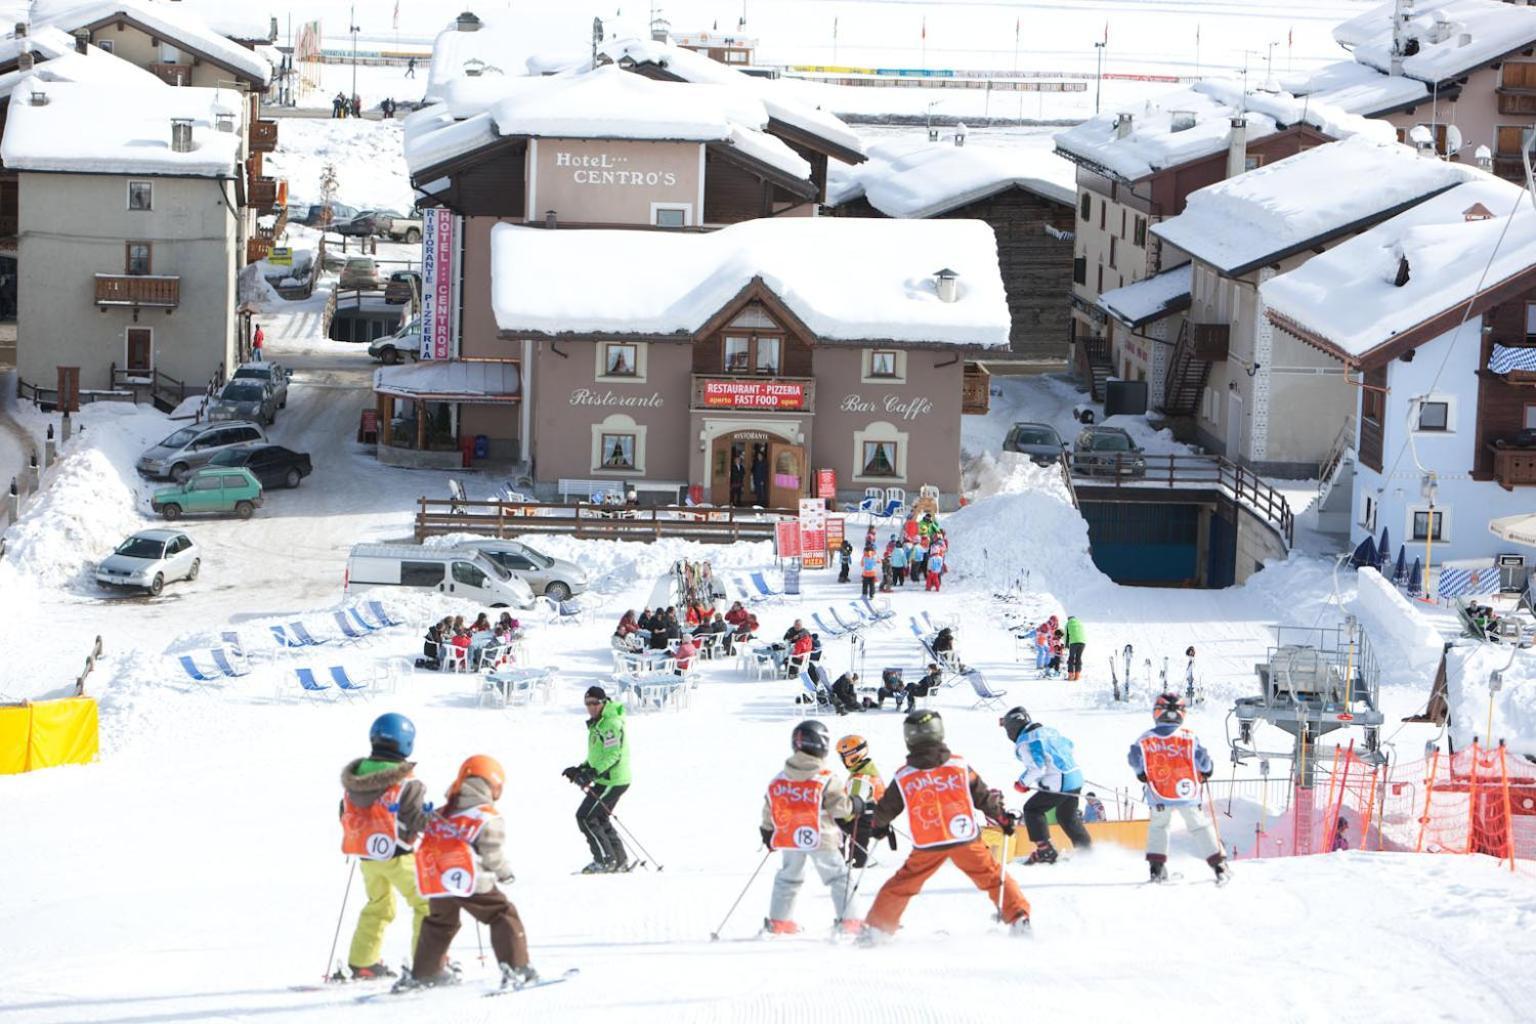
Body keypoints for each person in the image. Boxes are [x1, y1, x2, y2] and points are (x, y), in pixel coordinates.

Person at [861, 710, 1031, 943]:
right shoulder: (959, 766)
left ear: (909, 738)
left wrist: (877, 826)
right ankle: (1019, 918)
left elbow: (887, 808)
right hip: (964, 837)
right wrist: (1002, 819)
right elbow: (983, 796)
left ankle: (877, 930)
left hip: (928, 842)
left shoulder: (905, 776)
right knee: (991, 875)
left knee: (902, 884)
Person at [402, 755, 539, 992]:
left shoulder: (442, 812)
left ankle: (425, 973)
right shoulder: (487, 816)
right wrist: (504, 873)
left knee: (439, 923)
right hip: (470, 879)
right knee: (502, 913)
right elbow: (491, 854)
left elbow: (425, 828)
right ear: (494, 786)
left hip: (439, 879)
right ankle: (518, 969)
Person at [338, 713, 429, 980]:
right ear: (407, 744)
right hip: (399, 856)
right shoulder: (407, 783)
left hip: (366, 858)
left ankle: (363, 962)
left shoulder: (354, 781)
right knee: (427, 905)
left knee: (379, 905)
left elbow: (344, 813)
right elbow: (417, 819)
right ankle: (429, 964)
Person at [760, 721, 863, 935]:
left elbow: (770, 805)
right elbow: (840, 809)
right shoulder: (824, 777)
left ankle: (780, 921)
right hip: (821, 836)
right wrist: (856, 804)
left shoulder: (780, 779)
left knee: (789, 876)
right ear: (821, 745)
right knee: (838, 876)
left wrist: (768, 831)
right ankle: (850, 921)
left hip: (790, 837)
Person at [1128, 693, 1230, 885]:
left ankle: (1156, 869)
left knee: (1159, 826)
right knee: (1199, 825)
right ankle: (1218, 865)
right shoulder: (1188, 737)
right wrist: (1207, 771)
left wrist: (1141, 773)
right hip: (1186, 792)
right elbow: (1202, 760)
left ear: (1157, 713)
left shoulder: (1146, 738)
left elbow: (1134, 758)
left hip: (1159, 793)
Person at [1000, 706, 1092, 866]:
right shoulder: (1049, 731)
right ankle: (1086, 851)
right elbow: (1069, 745)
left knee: (1032, 809)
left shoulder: (1026, 741)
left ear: (1013, 727)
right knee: (1066, 815)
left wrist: (1022, 783)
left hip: (1059, 782)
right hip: (1075, 776)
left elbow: (1037, 767)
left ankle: (1045, 850)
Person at [563, 687, 631, 873]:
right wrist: (581, 769)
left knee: (585, 817)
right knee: (599, 817)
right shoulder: (598, 723)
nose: (591, 707)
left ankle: (605, 860)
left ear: (603, 702)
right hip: (607, 779)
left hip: (614, 779)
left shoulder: (610, 724)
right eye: (588, 704)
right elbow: (597, 756)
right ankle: (619, 860)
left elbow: (613, 755)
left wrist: (593, 773)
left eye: (595, 703)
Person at [837, 734, 885, 870]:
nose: (842, 760)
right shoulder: (869, 772)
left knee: (836, 827)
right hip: (872, 816)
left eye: (843, 757)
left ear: (851, 756)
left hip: (862, 819)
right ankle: (856, 858)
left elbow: (853, 805)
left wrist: (836, 816)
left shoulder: (860, 779)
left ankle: (845, 861)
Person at [1065, 615, 1086, 681]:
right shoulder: (1079, 622)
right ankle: (1077, 675)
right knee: (1078, 658)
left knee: (1071, 658)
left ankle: (1071, 676)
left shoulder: (1068, 623)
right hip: (1083, 642)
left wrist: (1066, 645)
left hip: (1074, 642)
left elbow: (1066, 636)